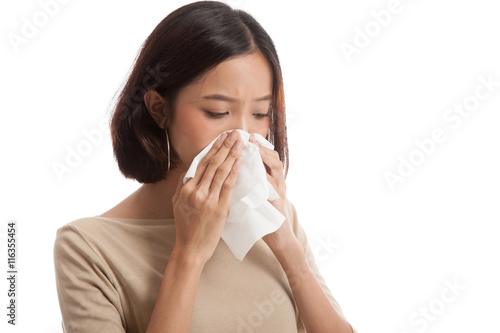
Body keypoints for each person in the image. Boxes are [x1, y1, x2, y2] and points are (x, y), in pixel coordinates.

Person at [53, 1, 357, 332]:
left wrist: (287, 248)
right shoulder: (87, 248)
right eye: (217, 112)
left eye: (259, 114)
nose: (242, 137)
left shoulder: (280, 218)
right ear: (159, 109)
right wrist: (188, 255)